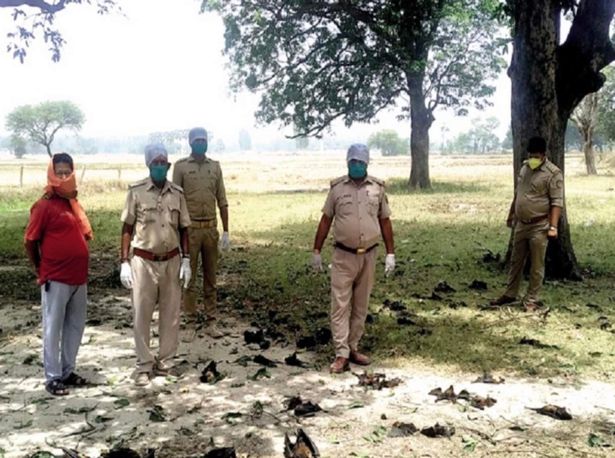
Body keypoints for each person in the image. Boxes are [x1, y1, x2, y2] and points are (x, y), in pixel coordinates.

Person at [312, 144, 396, 373]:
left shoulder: (377, 189)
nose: (356, 165)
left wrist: (391, 253)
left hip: (368, 255)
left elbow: (385, 221)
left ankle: (353, 347)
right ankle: (341, 354)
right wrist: (316, 251)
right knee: (340, 305)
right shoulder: (337, 189)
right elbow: (326, 220)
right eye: (352, 162)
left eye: (360, 162)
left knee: (361, 305)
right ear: (347, 162)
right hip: (343, 255)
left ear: (367, 163)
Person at [120, 143, 192, 386]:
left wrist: (186, 260)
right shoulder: (136, 192)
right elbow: (127, 228)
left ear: (169, 165)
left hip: (171, 260)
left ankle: (166, 362)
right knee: (142, 314)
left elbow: (184, 229)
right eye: (156, 163)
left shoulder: (177, 193)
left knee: (171, 315)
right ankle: (143, 365)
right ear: (149, 165)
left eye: (164, 163)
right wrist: (124, 262)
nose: (160, 166)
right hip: (143, 262)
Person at [24, 153, 93, 396]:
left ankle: (67, 371)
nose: (64, 176)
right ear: (52, 174)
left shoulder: (73, 202)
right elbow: (30, 241)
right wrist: (40, 268)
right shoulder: (44, 205)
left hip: (78, 277)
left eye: (67, 171)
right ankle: (52, 377)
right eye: (59, 172)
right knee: (53, 327)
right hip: (55, 277)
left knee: (75, 326)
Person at [490, 136, 564, 311]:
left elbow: (557, 202)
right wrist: (511, 214)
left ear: (544, 155)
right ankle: (510, 293)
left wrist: (553, 227)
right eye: (530, 155)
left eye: (536, 156)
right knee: (516, 261)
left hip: (540, 225)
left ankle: (532, 298)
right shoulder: (524, 168)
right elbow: (518, 194)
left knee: (537, 264)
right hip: (521, 224)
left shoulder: (553, 174)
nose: (533, 159)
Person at [172, 127, 229, 338]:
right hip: (190, 230)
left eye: (203, 140)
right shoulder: (180, 167)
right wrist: (176, 231)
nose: (200, 143)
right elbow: (175, 200)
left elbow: (222, 200)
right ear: (190, 142)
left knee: (211, 278)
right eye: (196, 140)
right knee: (188, 277)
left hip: (210, 229)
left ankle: (211, 321)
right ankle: (189, 322)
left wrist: (226, 231)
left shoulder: (215, 167)